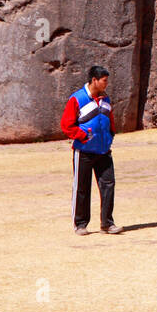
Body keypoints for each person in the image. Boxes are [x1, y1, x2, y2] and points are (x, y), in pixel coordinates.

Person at [61, 65, 121, 236]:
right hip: (84, 152)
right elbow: (66, 125)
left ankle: (107, 224)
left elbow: (110, 120)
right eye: (104, 81)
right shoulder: (77, 99)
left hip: (103, 151)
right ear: (94, 80)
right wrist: (81, 135)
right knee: (82, 187)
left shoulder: (106, 99)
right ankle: (80, 224)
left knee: (108, 185)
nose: (106, 84)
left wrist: (110, 136)